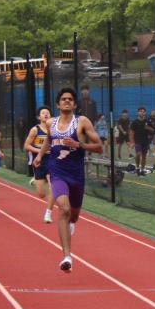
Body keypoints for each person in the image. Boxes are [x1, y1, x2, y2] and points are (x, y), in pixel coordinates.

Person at [35, 87, 103, 271]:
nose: (66, 101)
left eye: (70, 99)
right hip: (57, 172)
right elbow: (49, 140)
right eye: (63, 99)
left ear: (74, 105)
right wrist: (40, 155)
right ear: (58, 104)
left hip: (76, 175)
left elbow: (99, 147)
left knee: (74, 216)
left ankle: (72, 223)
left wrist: (79, 144)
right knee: (64, 209)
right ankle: (67, 257)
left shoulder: (82, 122)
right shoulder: (51, 123)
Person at [24, 106, 56, 223]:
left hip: (52, 161)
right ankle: (36, 180)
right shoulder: (35, 130)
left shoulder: (55, 129)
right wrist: (41, 151)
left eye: (48, 113)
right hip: (39, 161)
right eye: (43, 113)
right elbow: (26, 146)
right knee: (41, 194)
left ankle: (48, 213)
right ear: (39, 117)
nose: (46, 114)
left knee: (53, 187)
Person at [129, 107, 152, 174]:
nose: (142, 112)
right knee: (138, 154)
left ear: (145, 113)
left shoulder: (147, 121)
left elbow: (152, 130)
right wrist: (132, 142)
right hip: (137, 141)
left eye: (143, 111)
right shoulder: (134, 122)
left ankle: (142, 169)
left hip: (145, 141)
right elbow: (131, 133)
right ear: (138, 112)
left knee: (144, 156)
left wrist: (149, 128)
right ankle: (137, 167)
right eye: (140, 111)